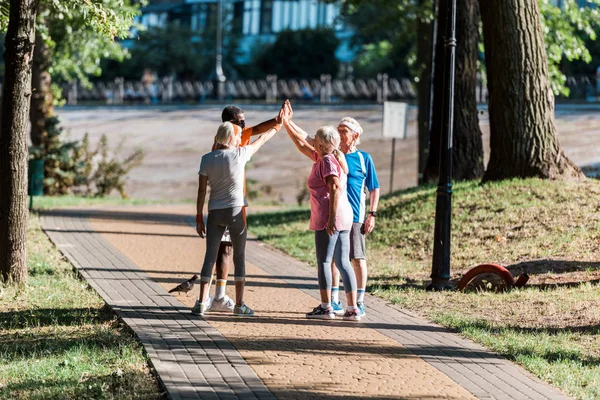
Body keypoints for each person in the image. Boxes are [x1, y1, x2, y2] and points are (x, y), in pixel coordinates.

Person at [281, 101, 361, 321]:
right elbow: (302, 142)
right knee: (343, 263)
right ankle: (353, 308)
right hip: (346, 216)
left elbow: (334, 187)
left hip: (331, 216)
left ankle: (327, 307)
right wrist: (287, 122)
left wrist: (330, 219)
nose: (312, 142)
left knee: (325, 262)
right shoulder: (334, 156)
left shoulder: (325, 161)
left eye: (315, 140)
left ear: (321, 144)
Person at [193, 120, 281, 317]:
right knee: (239, 257)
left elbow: (201, 191)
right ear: (232, 138)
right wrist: (278, 125)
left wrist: (199, 217)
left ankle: (201, 303)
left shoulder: (206, 159)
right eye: (238, 136)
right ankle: (239, 306)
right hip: (235, 212)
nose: (241, 138)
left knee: (209, 257)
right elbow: (263, 138)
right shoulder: (240, 154)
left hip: (215, 212)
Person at [329, 117, 380, 318]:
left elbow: (374, 188)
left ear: (355, 135)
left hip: (357, 216)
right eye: (338, 129)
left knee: (357, 258)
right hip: (337, 215)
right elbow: (310, 142)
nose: (339, 133)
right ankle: (334, 300)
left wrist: (372, 214)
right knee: (333, 259)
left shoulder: (364, 158)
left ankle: (359, 301)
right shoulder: (333, 155)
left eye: (344, 130)